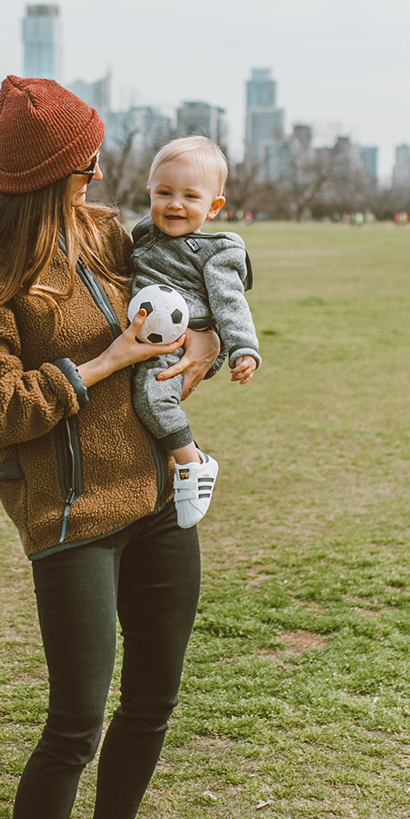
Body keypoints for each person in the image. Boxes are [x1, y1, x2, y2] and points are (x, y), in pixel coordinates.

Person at [0, 76, 221, 819]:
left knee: (156, 694)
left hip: (159, 499)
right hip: (71, 517)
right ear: (56, 172)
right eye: (86, 164)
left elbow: (175, 327)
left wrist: (199, 352)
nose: (99, 177)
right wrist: (104, 361)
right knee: (76, 718)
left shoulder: (107, 235)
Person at [129, 137, 260, 528]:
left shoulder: (217, 251)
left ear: (214, 206)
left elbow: (230, 303)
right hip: (149, 338)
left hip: (188, 339)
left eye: (190, 196)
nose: (175, 204)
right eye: (165, 192)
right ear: (149, 192)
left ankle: (194, 463)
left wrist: (243, 349)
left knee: (152, 398)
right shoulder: (143, 234)